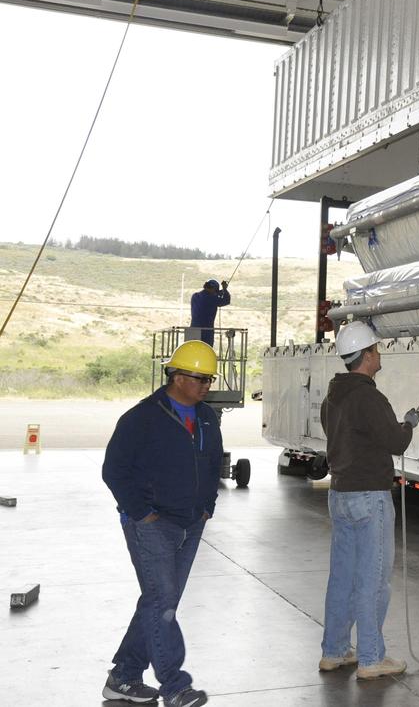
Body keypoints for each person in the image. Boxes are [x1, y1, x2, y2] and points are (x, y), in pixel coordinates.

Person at [101, 340, 223, 707]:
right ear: (176, 375)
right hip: (152, 524)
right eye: (199, 378)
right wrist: (141, 513)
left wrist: (207, 507)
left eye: (209, 379)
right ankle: (174, 685)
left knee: (158, 601)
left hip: (191, 524)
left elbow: (214, 461)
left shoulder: (206, 417)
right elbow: (114, 471)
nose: (205, 386)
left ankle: (123, 676)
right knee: (163, 601)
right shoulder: (142, 418)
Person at [318, 320, 418, 680]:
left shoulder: (333, 397)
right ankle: (371, 658)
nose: (379, 355)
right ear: (368, 355)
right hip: (369, 498)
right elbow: (396, 442)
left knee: (342, 578)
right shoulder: (369, 397)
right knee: (373, 580)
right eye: (376, 349)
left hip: (340, 495)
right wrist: (408, 424)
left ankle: (334, 651)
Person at [189, 279, 230, 346]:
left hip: (193, 329)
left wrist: (217, 293)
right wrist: (224, 289)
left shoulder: (195, 296)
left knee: (192, 351)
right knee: (206, 351)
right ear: (213, 289)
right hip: (207, 331)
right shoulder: (212, 298)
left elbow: (207, 296)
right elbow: (226, 301)